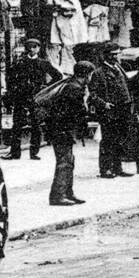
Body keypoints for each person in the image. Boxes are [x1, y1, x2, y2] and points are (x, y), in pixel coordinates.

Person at [42, 59, 94, 206]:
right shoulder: (74, 89)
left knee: (69, 161)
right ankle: (58, 196)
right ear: (87, 75)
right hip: (62, 131)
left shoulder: (73, 85)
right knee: (64, 162)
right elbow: (70, 113)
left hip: (62, 130)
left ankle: (67, 192)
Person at [6, 37, 57, 160]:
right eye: (29, 47)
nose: (32, 49)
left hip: (36, 97)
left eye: (35, 47)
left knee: (36, 125)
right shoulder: (20, 62)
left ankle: (34, 152)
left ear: (39, 48)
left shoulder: (43, 63)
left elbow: (57, 76)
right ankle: (14, 153)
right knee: (17, 125)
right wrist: (15, 90)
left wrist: (45, 88)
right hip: (21, 96)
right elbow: (10, 77)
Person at [90, 43, 134, 178]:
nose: (115, 57)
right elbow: (92, 94)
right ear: (106, 55)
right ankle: (106, 169)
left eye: (117, 54)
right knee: (108, 140)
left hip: (123, 109)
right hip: (109, 111)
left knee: (120, 139)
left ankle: (118, 167)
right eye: (112, 54)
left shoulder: (120, 68)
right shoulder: (99, 73)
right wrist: (104, 104)